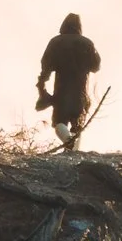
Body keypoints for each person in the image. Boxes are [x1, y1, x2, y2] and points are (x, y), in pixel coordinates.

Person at [35, 14, 102, 148]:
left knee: (60, 122)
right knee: (78, 125)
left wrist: (43, 80)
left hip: (62, 89)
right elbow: (96, 66)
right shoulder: (87, 43)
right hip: (81, 91)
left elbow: (46, 63)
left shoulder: (56, 42)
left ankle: (69, 145)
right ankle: (74, 151)